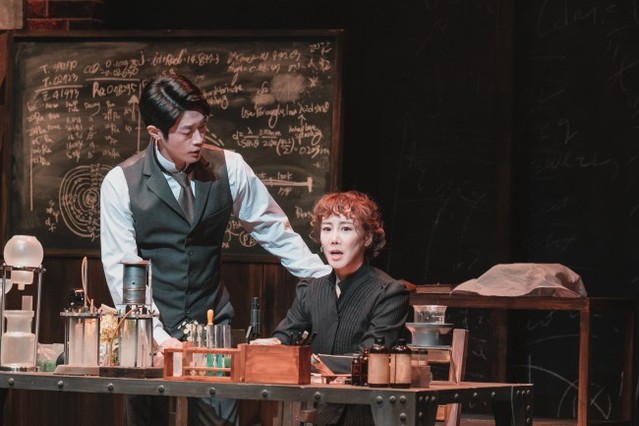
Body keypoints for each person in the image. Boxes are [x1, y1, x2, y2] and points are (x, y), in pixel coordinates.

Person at [100, 73, 331, 426]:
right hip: (148, 329)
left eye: (202, 128)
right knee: (148, 418)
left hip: (211, 325)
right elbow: (123, 270)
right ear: (155, 133)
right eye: (187, 131)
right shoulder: (121, 183)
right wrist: (157, 336)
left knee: (219, 418)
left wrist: (327, 278)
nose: (199, 139)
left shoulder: (229, 167)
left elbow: (273, 229)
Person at [272, 191, 410, 426]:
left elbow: (370, 356)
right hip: (322, 411)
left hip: (370, 415)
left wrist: (312, 363)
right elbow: (285, 337)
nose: (334, 239)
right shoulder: (311, 289)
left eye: (345, 229)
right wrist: (271, 345)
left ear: (367, 238)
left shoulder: (389, 292)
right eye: (327, 229)